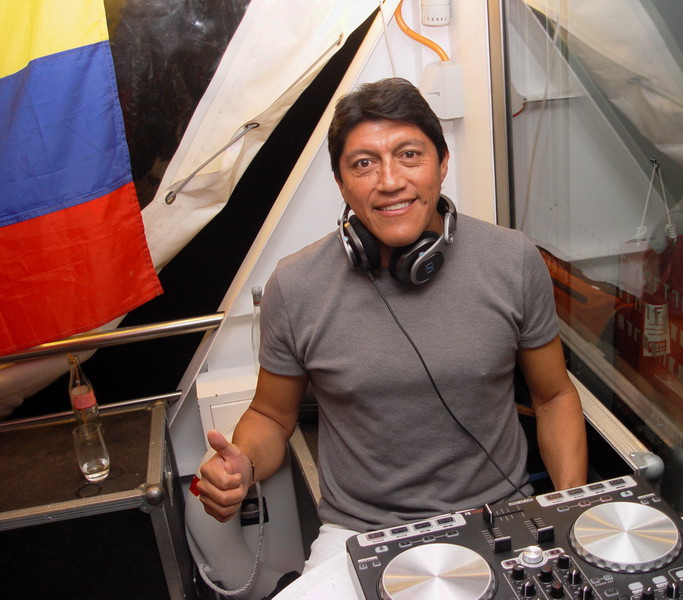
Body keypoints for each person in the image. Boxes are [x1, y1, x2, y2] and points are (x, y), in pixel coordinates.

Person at [196, 77, 587, 573]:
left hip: (499, 513)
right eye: (363, 163)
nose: (389, 180)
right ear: (341, 183)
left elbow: (554, 396)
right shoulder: (294, 285)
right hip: (358, 532)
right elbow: (271, 416)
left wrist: (567, 508)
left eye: (409, 155)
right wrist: (242, 466)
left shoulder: (513, 259)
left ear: (442, 163)